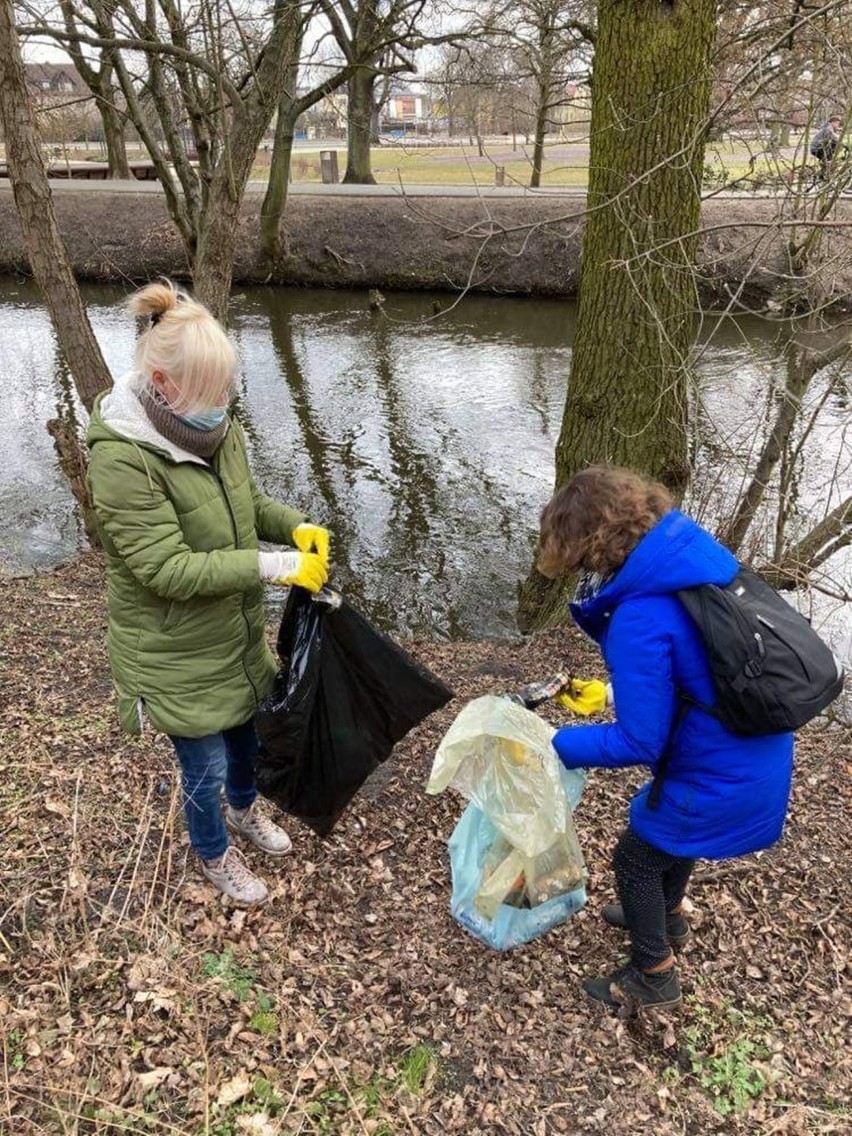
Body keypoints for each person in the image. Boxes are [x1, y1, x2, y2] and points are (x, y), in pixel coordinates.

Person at [87, 280, 332, 904]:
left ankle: (244, 812)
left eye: (227, 388)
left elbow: (245, 503)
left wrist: (293, 526)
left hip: (232, 634)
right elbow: (166, 568)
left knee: (249, 742)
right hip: (171, 652)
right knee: (206, 768)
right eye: (209, 391)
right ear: (164, 385)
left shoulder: (216, 427)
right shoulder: (122, 462)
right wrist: (273, 567)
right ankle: (213, 854)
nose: (223, 402)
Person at [537, 466, 794, 1010]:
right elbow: (696, 672)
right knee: (670, 835)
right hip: (755, 746)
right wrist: (610, 694)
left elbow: (640, 742)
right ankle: (668, 916)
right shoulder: (690, 564)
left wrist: (556, 743)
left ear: (588, 544)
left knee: (634, 858)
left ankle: (654, 974)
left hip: (720, 769)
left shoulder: (637, 614)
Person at [810, 115, 842, 180]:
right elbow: (834, 138)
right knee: (829, 158)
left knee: (828, 159)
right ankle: (823, 174)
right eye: (837, 123)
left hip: (819, 148)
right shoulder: (828, 128)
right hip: (817, 148)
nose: (838, 125)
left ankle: (822, 174)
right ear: (832, 122)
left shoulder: (829, 128)